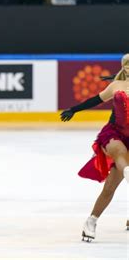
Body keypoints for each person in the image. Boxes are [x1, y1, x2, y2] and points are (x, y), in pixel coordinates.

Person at [60, 54, 129, 242]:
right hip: (114, 133)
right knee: (119, 152)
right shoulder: (116, 86)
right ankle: (91, 222)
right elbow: (95, 100)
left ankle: (92, 220)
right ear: (123, 67)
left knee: (109, 188)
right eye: (126, 64)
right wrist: (73, 110)